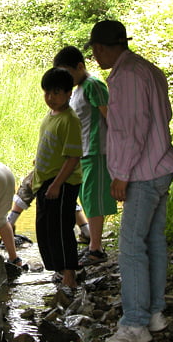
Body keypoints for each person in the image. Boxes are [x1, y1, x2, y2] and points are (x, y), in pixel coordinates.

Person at [86, 20, 173, 342]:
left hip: (142, 172)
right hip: (160, 165)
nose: (96, 58)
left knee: (129, 248)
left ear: (100, 48)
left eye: (95, 51)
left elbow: (131, 130)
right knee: (152, 240)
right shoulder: (147, 68)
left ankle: (135, 324)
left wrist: (121, 174)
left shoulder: (125, 76)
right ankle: (154, 314)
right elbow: (163, 115)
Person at [53, 45, 117, 266]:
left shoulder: (94, 85)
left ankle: (96, 249)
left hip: (97, 151)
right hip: (81, 154)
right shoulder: (76, 90)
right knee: (86, 199)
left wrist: (120, 148)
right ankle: (92, 243)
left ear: (80, 67)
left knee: (94, 199)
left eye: (67, 74)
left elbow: (110, 116)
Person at [32, 67, 83, 290]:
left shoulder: (70, 120)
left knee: (61, 229)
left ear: (69, 93)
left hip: (62, 184)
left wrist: (56, 184)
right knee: (44, 229)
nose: (50, 98)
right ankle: (58, 269)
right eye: (47, 93)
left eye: (56, 93)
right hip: (45, 181)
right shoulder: (51, 114)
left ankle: (70, 273)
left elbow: (73, 157)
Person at [6, 169, 90, 243]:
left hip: (55, 169)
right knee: (67, 199)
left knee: (28, 185)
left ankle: (9, 223)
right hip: (67, 171)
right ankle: (86, 231)